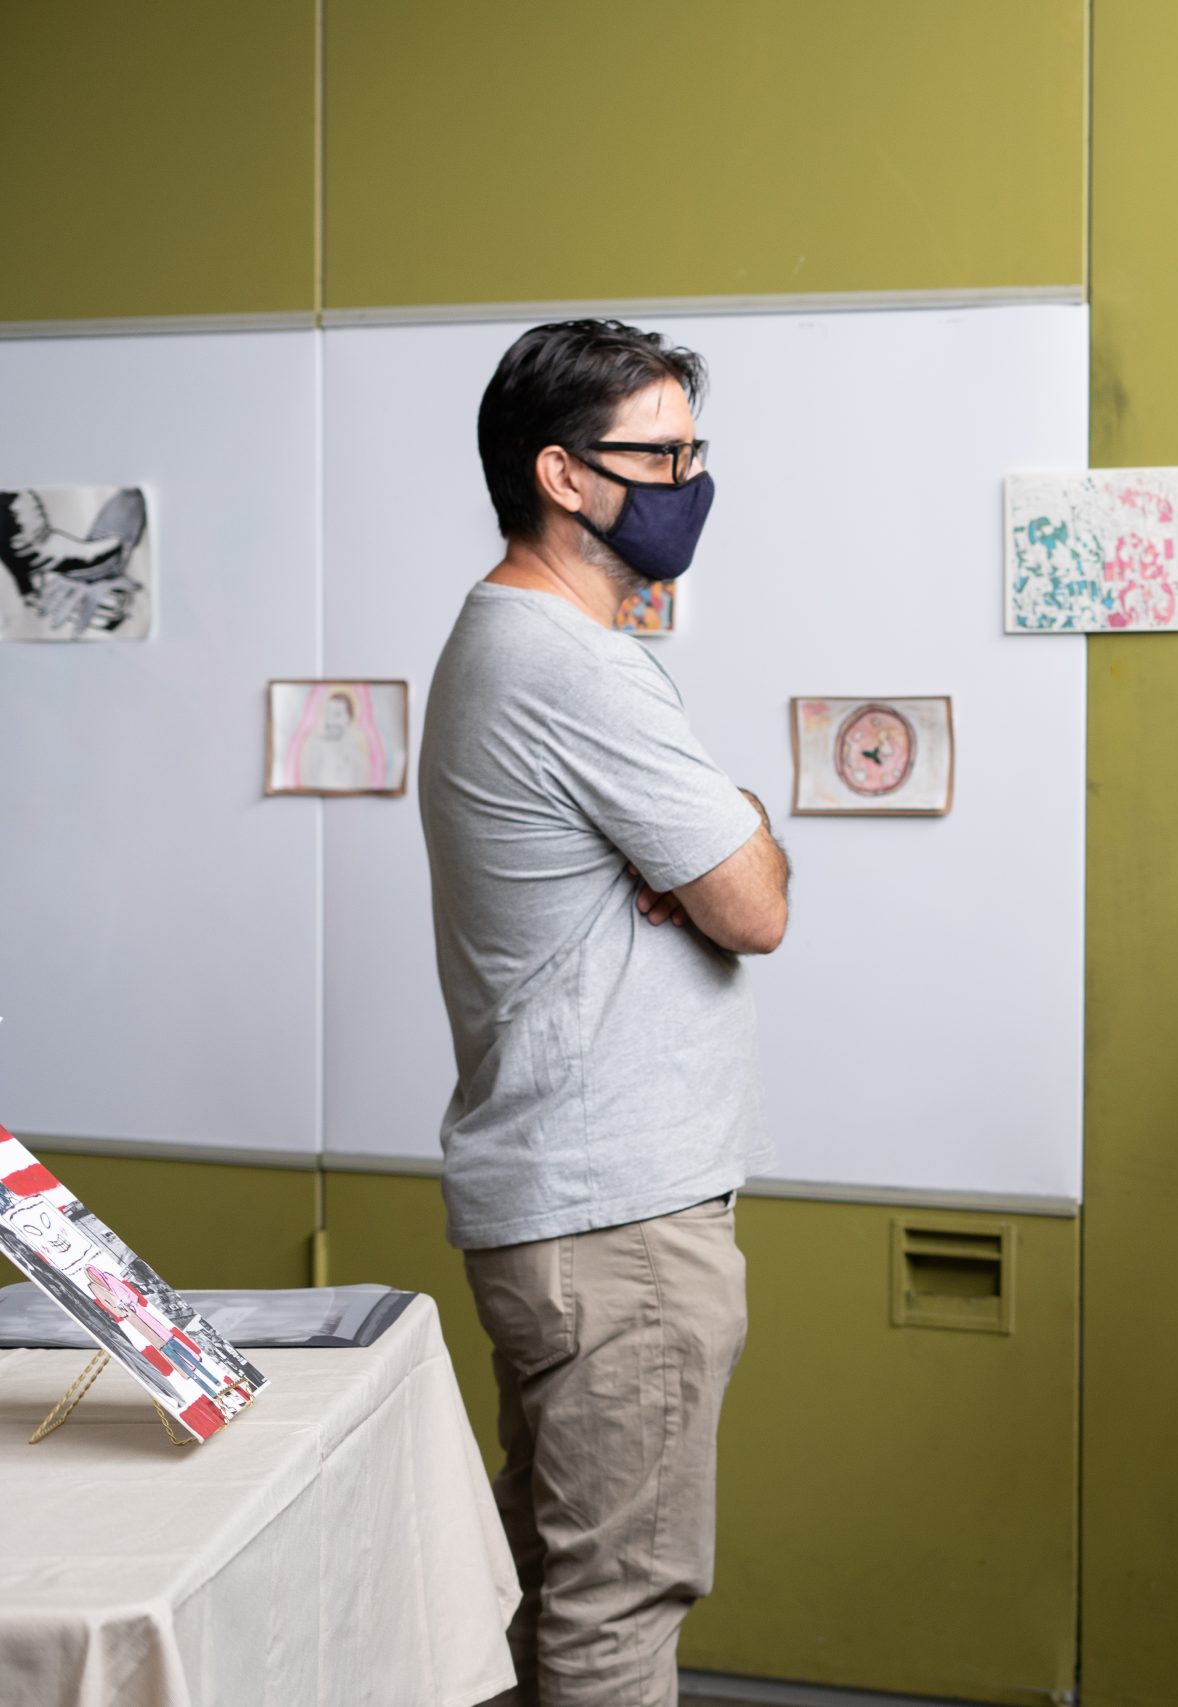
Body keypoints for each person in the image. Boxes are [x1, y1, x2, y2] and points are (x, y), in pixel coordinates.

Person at [419, 319, 790, 1707]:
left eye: (698, 449)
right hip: (618, 1224)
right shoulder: (574, 663)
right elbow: (752, 901)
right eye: (664, 453)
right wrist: (729, 829)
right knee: (616, 1608)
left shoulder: (506, 638)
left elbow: (715, 881)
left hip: (568, 1212)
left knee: (552, 1586)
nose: (693, 479)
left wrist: (699, 852)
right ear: (564, 477)